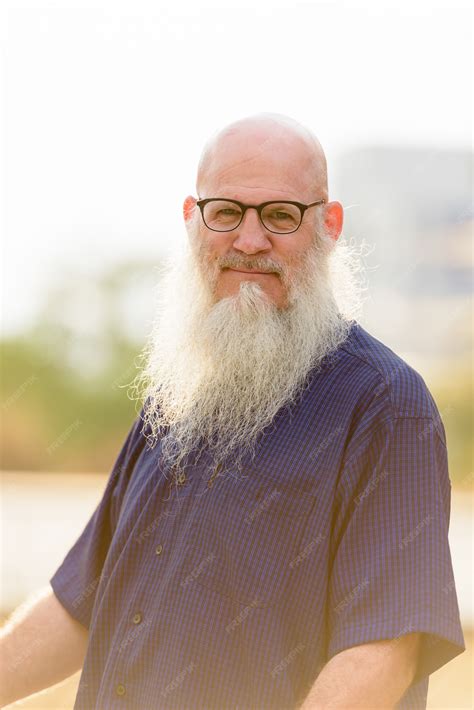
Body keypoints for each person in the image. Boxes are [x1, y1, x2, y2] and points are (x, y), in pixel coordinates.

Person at [0, 113, 465, 709]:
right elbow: (79, 602)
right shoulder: (178, 393)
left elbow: (382, 652)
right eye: (227, 212)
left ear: (329, 225)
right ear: (194, 219)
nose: (249, 240)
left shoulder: (385, 405)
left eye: (279, 215)